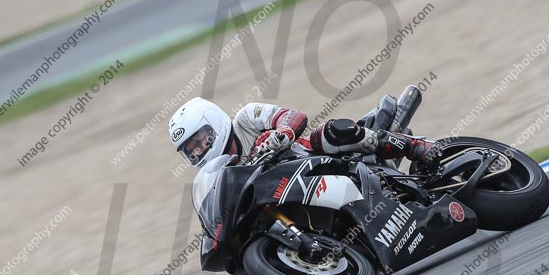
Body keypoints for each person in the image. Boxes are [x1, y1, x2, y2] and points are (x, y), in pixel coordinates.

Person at [167, 96, 440, 169]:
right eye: (191, 151)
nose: (198, 150)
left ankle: (416, 146)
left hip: (317, 161)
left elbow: (293, 116)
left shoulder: (246, 118)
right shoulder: (218, 176)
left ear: (213, 123)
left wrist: (282, 135)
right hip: (284, 192)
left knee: (328, 133)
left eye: (198, 141)